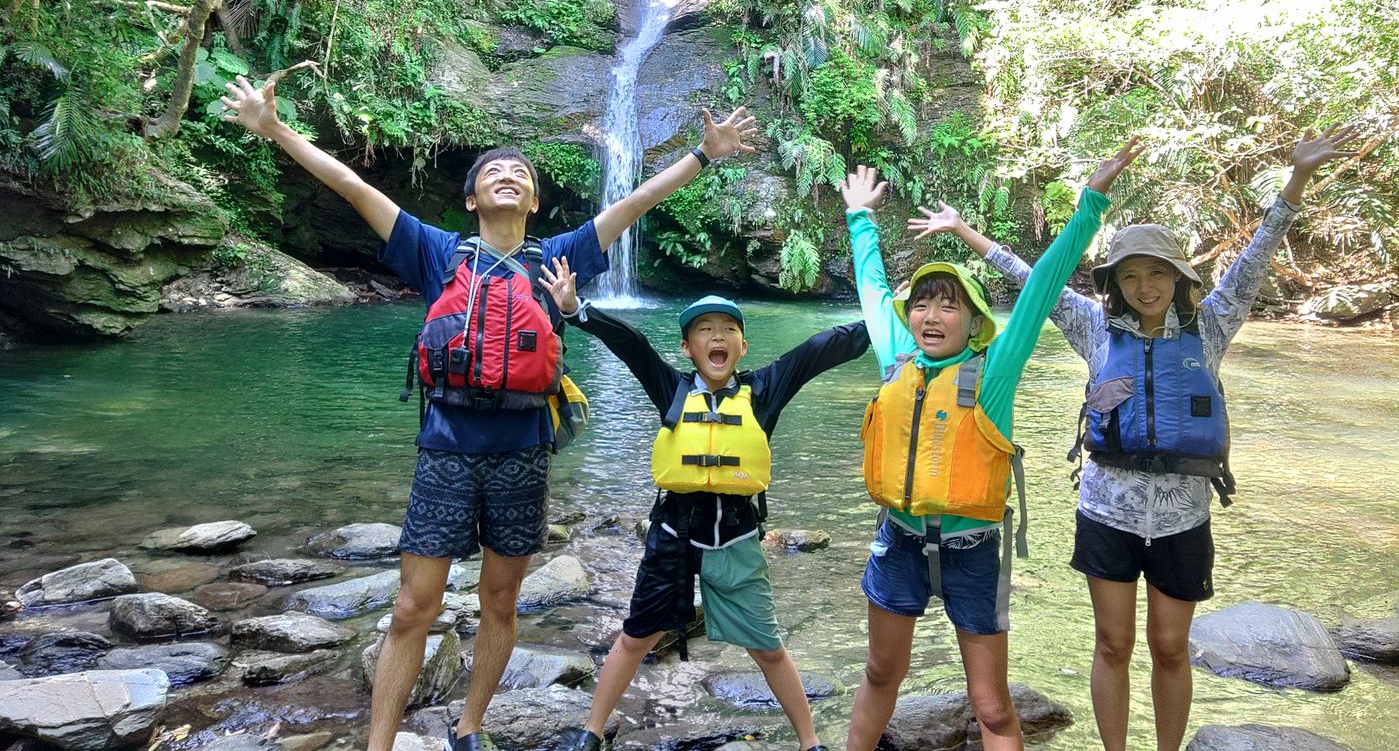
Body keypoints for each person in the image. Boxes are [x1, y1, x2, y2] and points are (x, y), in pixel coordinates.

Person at [219, 74, 757, 751]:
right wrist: (274, 129)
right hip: (446, 445)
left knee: (501, 601)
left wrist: (703, 156)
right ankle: (377, 745)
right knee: (415, 605)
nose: (509, 177)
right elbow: (355, 189)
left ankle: (469, 729)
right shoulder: (437, 251)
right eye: (493, 172)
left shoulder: (558, 257)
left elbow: (637, 202)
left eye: (521, 174)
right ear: (472, 197)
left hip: (524, 449)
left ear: (534, 199)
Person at [907, 126, 1358, 751]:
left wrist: (1297, 181)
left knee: (1171, 647)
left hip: (1182, 519)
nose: (1146, 287)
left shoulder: (1212, 325)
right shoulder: (1093, 327)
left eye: (1158, 273)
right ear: (1115, 284)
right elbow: (1031, 276)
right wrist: (963, 232)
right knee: (1113, 643)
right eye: (1132, 276)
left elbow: (1256, 256)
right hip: (1106, 512)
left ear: (1178, 278)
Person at [839, 138, 1141, 751]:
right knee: (880, 673)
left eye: (948, 307)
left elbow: (1043, 285)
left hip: (972, 550)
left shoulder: (994, 368)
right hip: (897, 538)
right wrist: (859, 217)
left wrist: (1091, 204)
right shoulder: (895, 360)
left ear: (974, 322)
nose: (930, 314)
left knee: (991, 706)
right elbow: (872, 287)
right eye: (922, 303)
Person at [536, 264, 871, 751]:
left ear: (743, 347)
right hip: (672, 533)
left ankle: (810, 742)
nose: (718, 336)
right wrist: (576, 312)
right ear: (687, 349)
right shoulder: (672, 388)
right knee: (636, 637)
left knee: (767, 646)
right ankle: (590, 733)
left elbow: (817, 351)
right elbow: (633, 347)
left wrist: (883, 320)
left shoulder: (764, 391)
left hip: (736, 538)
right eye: (704, 330)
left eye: (729, 330)